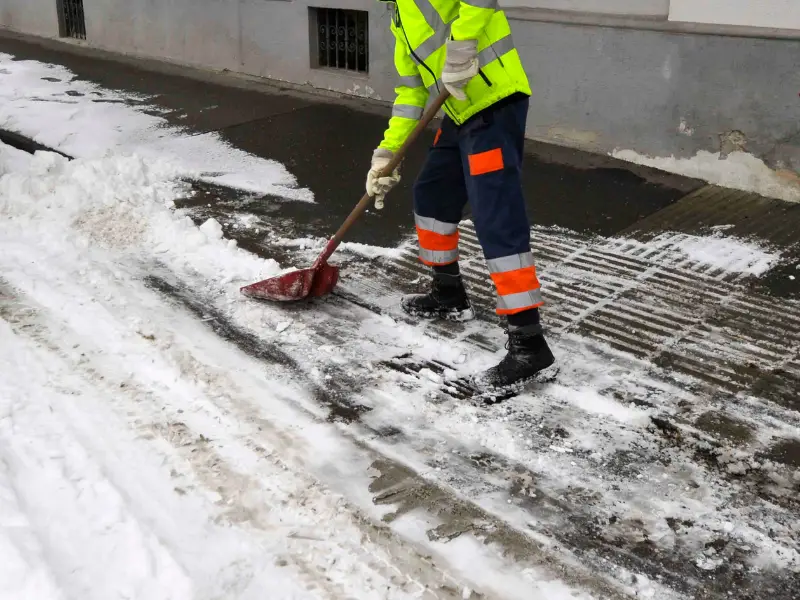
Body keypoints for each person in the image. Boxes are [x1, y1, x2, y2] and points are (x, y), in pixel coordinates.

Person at [365, 0, 557, 390]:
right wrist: (387, 156)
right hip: (459, 112)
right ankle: (449, 294)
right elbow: (410, 92)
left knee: (495, 213)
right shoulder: (400, 18)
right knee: (432, 195)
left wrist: (464, 44)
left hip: (493, 104)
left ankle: (529, 343)